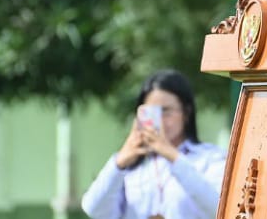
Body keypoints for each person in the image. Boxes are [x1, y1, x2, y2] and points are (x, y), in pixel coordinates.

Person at [81, 69, 227, 219]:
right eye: (151, 112)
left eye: (166, 111)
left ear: (186, 113)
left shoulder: (210, 158)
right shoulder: (131, 167)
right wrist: (120, 161)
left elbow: (219, 208)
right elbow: (93, 209)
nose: (160, 121)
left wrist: (172, 156)